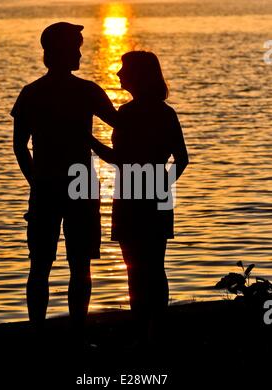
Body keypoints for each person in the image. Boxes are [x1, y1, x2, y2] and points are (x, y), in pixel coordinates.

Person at [11, 22, 117, 338]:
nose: (80, 53)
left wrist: (36, 181)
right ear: (61, 52)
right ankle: (77, 333)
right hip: (80, 185)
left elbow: (20, 146)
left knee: (41, 265)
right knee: (78, 264)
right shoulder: (87, 91)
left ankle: (39, 333)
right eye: (76, 47)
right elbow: (121, 125)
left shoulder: (31, 93)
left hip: (48, 185)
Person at [90, 51, 189, 346]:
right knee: (154, 268)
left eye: (124, 69)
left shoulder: (128, 114)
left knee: (136, 267)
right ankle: (154, 331)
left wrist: (86, 137)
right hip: (153, 199)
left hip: (131, 198)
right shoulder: (164, 113)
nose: (119, 74)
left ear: (139, 76)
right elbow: (181, 159)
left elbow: (116, 159)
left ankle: (142, 330)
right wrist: (161, 187)